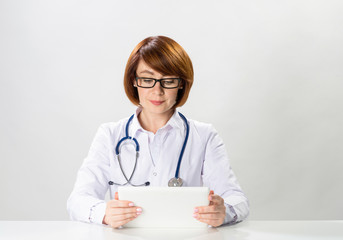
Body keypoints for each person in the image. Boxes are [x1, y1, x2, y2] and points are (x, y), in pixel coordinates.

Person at [67, 36, 249, 228]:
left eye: (168, 81)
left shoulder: (204, 136)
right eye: (147, 79)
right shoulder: (110, 135)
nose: (157, 90)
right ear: (134, 81)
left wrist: (224, 211)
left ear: (181, 84)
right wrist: (104, 213)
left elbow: (238, 199)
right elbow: (78, 199)